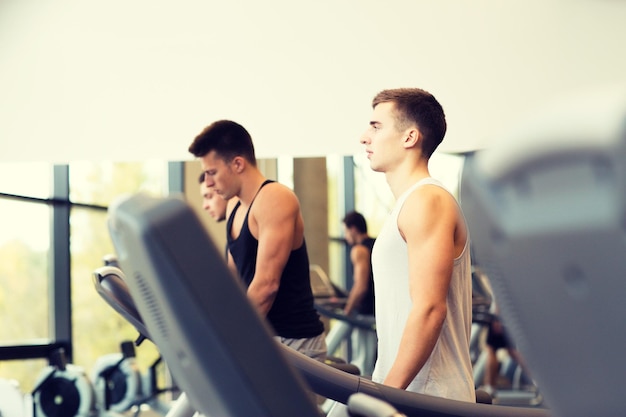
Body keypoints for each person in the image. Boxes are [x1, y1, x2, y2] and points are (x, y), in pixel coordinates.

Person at [361, 88, 475, 402]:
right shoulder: (409, 204)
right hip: (408, 391)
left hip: (426, 396)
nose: (364, 137)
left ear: (410, 137)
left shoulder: (427, 200)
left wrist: (385, 396)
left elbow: (429, 309)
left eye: (376, 126)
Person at [188, 119, 327, 361]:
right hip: (262, 335)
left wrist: (226, 338)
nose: (208, 182)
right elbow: (233, 281)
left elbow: (266, 286)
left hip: (294, 342)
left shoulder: (274, 198)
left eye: (212, 173)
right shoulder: (233, 205)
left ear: (238, 164)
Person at [326, 211, 377, 376]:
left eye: (346, 232)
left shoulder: (359, 250)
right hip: (377, 314)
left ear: (353, 229)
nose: (346, 237)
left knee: (363, 367)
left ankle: (317, 363)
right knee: (366, 365)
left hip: (365, 315)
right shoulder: (376, 245)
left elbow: (361, 286)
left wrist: (347, 309)